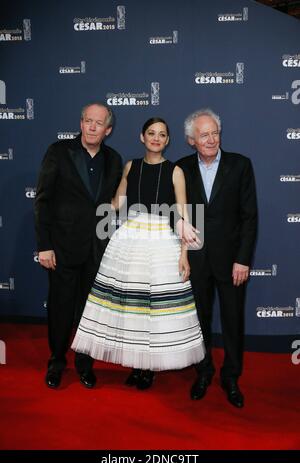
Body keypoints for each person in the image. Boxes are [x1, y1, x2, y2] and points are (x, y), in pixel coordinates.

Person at [71, 117, 205, 389]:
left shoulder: (175, 171)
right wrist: (84, 203)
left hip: (161, 243)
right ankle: (136, 365)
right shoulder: (131, 166)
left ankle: (149, 368)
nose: (156, 138)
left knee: (154, 308)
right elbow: (117, 203)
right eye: (151, 133)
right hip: (130, 239)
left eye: (163, 134)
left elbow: (183, 213)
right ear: (142, 137)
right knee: (132, 306)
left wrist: (184, 254)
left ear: (168, 141)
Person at [35, 102, 123, 389]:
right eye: (88, 120)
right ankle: (57, 362)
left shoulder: (114, 159)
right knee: (60, 307)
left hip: (96, 250)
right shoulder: (59, 152)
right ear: (81, 123)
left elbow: (111, 206)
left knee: (90, 310)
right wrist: (45, 245)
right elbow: (44, 200)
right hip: (61, 247)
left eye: (99, 123)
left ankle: (84, 364)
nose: (93, 126)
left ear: (108, 129)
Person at [177, 109, 257, 408]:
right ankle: (203, 371)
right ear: (190, 140)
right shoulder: (181, 168)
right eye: (203, 135)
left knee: (233, 320)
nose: (211, 139)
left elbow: (249, 217)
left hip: (231, 261)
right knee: (199, 321)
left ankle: (231, 377)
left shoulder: (240, 165)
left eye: (215, 133)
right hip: (196, 259)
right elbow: (175, 212)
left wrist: (243, 259)